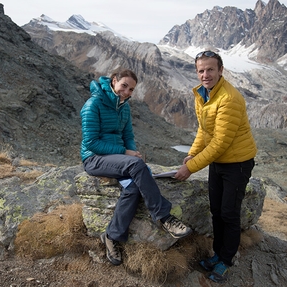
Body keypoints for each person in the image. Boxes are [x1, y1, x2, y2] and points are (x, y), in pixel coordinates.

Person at [80, 69, 192, 266]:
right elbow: (91, 143)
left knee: (133, 188)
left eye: (131, 89)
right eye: (124, 86)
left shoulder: (123, 108)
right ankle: (164, 217)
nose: (127, 92)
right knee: (136, 164)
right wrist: (126, 154)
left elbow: (128, 135)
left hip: (118, 159)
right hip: (95, 159)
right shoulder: (93, 104)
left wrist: (132, 152)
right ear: (113, 81)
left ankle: (111, 236)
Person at [174, 51, 257, 283]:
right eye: (201, 70)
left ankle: (226, 261)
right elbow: (204, 129)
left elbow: (220, 142)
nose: (205, 74)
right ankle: (218, 255)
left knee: (229, 213)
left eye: (210, 69)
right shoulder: (203, 94)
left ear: (220, 70)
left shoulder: (228, 98)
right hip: (219, 162)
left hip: (237, 164)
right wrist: (192, 153)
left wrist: (191, 168)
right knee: (217, 211)